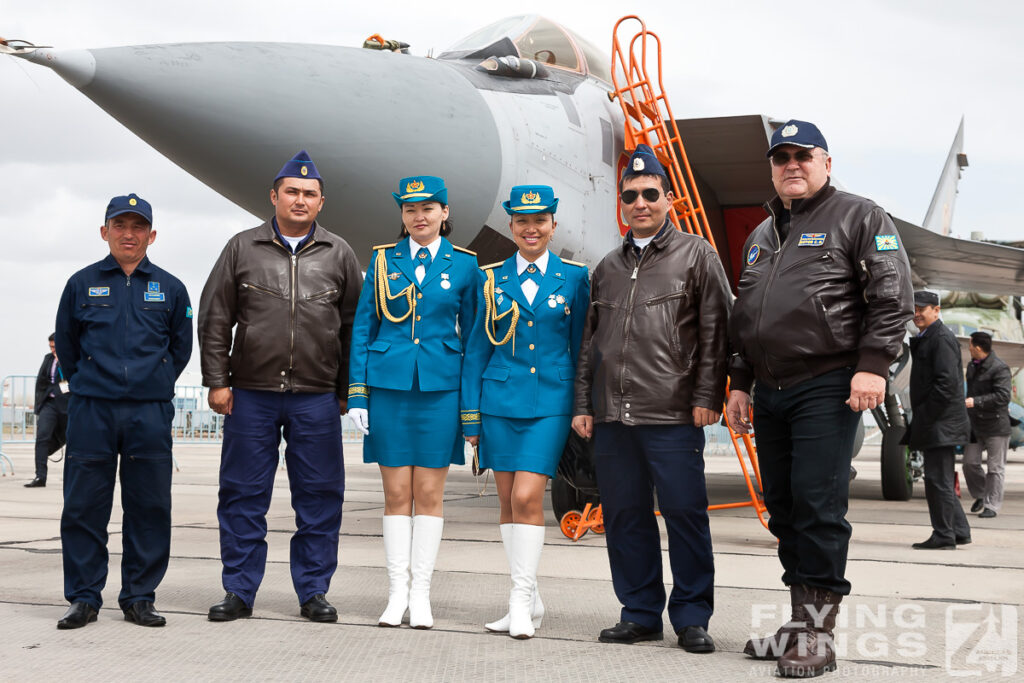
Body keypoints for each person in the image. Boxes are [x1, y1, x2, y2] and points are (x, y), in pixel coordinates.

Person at [725, 120, 913, 677]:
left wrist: (874, 366)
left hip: (828, 382)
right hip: (771, 389)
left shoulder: (859, 215)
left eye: (802, 155)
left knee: (817, 505)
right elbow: (745, 316)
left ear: (825, 162)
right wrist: (739, 381)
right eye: (781, 158)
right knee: (782, 507)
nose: (791, 165)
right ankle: (796, 621)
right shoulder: (761, 235)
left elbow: (891, 293)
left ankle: (816, 632)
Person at [572, 145, 732, 653]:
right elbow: (588, 344)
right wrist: (583, 405)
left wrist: (708, 394)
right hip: (613, 416)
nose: (640, 202)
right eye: (630, 196)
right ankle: (639, 613)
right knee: (624, 517)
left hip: (672, 412)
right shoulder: (607, 268)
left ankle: (691, 617)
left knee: (685, 514)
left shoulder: (697, 255)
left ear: (668, 198)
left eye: (649, 194)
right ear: (620, 203)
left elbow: (717, 332)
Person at [198, 151, 363, 623]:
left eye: (309, 194)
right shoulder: (241, 248)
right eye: (291, 191)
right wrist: (217, 381)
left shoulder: (340, 253)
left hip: (316, 397)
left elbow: (353, 326)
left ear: (321, 202)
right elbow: (215, 319)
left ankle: (313, 592)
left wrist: (345, 389)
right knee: (242, 495)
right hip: (250, 393)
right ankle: (239, 591)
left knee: (320, 496)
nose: (300, 200)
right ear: (274, 197)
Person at [346, 175, 480, 629]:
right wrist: (358, 393)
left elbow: (475, 340)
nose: (419, 216)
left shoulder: (466, 266)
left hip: (440, 391)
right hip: (388, 390)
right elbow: (364, 329)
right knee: (395, 493)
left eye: (428, 208)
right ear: (402, 215)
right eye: (409, 209)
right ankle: (395, 593)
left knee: (429, 494)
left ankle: (420, 594)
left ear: (445, 213)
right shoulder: (383, 260)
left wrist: (469, 407)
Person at [54, 193, 193, 629]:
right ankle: (83, 597)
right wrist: (91, 381)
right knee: (83, 506)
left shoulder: (171, 288)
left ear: (151, 235)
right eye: (120, 226)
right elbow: (68, 344)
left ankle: (139, 596)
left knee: (150, 506)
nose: (128, 234)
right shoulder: (81, 283)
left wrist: (154, 381)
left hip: (149, 413)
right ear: (105, 232)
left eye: (137, 227)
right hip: (92, 410)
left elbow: (180, 347)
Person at [463, 185, 589, 639]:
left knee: (526, 498)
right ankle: (530, 598)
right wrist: (471, 416)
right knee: (505, 503)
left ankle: (518, 600)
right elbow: (476, 351)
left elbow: (581, 350)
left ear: (553, 225)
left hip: (551, 404)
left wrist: (581, 406)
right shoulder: (490, 278)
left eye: (539, 221)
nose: (530, 228)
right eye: (521, 221)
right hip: (499, 402)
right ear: (511, 226)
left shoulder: (575, 278)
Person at [906, 290, 972, 550]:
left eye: (923, 309)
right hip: (940, 421)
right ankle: (959, 530)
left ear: (936, 310)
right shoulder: (929, 337)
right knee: (940, 478)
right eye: (915, 309)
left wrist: (926, 416)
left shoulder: (940, 338)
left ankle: (944, 535)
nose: (917, 313)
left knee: (937, 480)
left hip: (940, 422)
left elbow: (946, 385)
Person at [963, 331, 1012, 518]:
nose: (968, 348)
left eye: (969, 345)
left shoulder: (1000, 368)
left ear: (977, 348)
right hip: (976, 424)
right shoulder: (971, 366)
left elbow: (1003, 397)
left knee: (995, 468)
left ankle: (992, 506)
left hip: (996, 426)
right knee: (969, 463)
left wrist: (976, 402)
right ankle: (981, 495)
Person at [26, 333, 70, 487]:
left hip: (67, 405)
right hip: (49, 404)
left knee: (68, 438)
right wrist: (40, 403)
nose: (52, 349)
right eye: (50, 347)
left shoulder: (71, 357)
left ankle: (71, 477)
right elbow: (41, 381)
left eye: (55, 346)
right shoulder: (48, 359)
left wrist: (62, 360)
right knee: (42, 437)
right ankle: (40, 477)